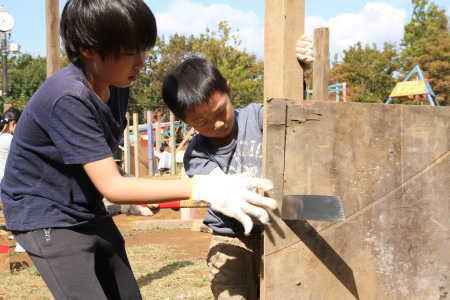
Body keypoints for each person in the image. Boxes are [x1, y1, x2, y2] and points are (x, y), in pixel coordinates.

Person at [0, 1, 276, 299]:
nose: (142, 62)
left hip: (85, 206)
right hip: (46, 214)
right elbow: (113, 188)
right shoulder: (67, 97)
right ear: (88, 49)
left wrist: (138, 191)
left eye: (143, 49)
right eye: (130, 52)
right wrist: (204, 186)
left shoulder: (117, 84)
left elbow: (98, 160)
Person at [162, 44, 313, 299]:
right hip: (230, 239)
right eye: (201, 122)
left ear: (229, 90)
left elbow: (297, 117)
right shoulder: (197, 154)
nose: (217, 123)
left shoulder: (259, 117)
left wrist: (305, 76)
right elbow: (219, 187)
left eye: (221, 110)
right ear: (185, 122)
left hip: (281, 231)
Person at [0, 108, 25, 252]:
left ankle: (4, 248)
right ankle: (20, 247)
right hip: (9, 182)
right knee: (19, 212)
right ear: (13, 124)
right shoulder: (12, 141)